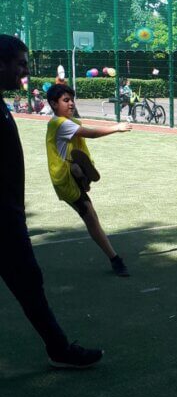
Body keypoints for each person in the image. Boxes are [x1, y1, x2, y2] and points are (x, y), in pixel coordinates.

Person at [0, 35, 102, 368]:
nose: (25, 71)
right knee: (28, 281)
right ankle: (58, 349)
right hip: (4, 220)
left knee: (29, 282)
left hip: (10, 215)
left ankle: (58, 348)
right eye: (20, 64)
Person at [46, 84, 131, 277]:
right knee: (91, 218)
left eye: (71, 100)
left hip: (67, 176)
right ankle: (115, 259)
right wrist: (117, 127)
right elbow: (91, 133)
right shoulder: (61, 123)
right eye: (65, 100)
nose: (71, 103)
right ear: (53, 104)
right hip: (64, 180)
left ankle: (80, 173)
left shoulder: (64, 122)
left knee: (91, 217)